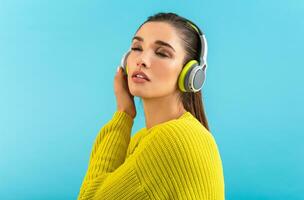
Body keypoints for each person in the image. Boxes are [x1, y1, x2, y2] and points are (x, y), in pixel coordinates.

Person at [77, 12, 225, 200]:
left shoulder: (172, 139)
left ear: (190, 75)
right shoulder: (143, 139)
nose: (142, 60)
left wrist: (123, 113)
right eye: (137, 48)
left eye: (162, 53)